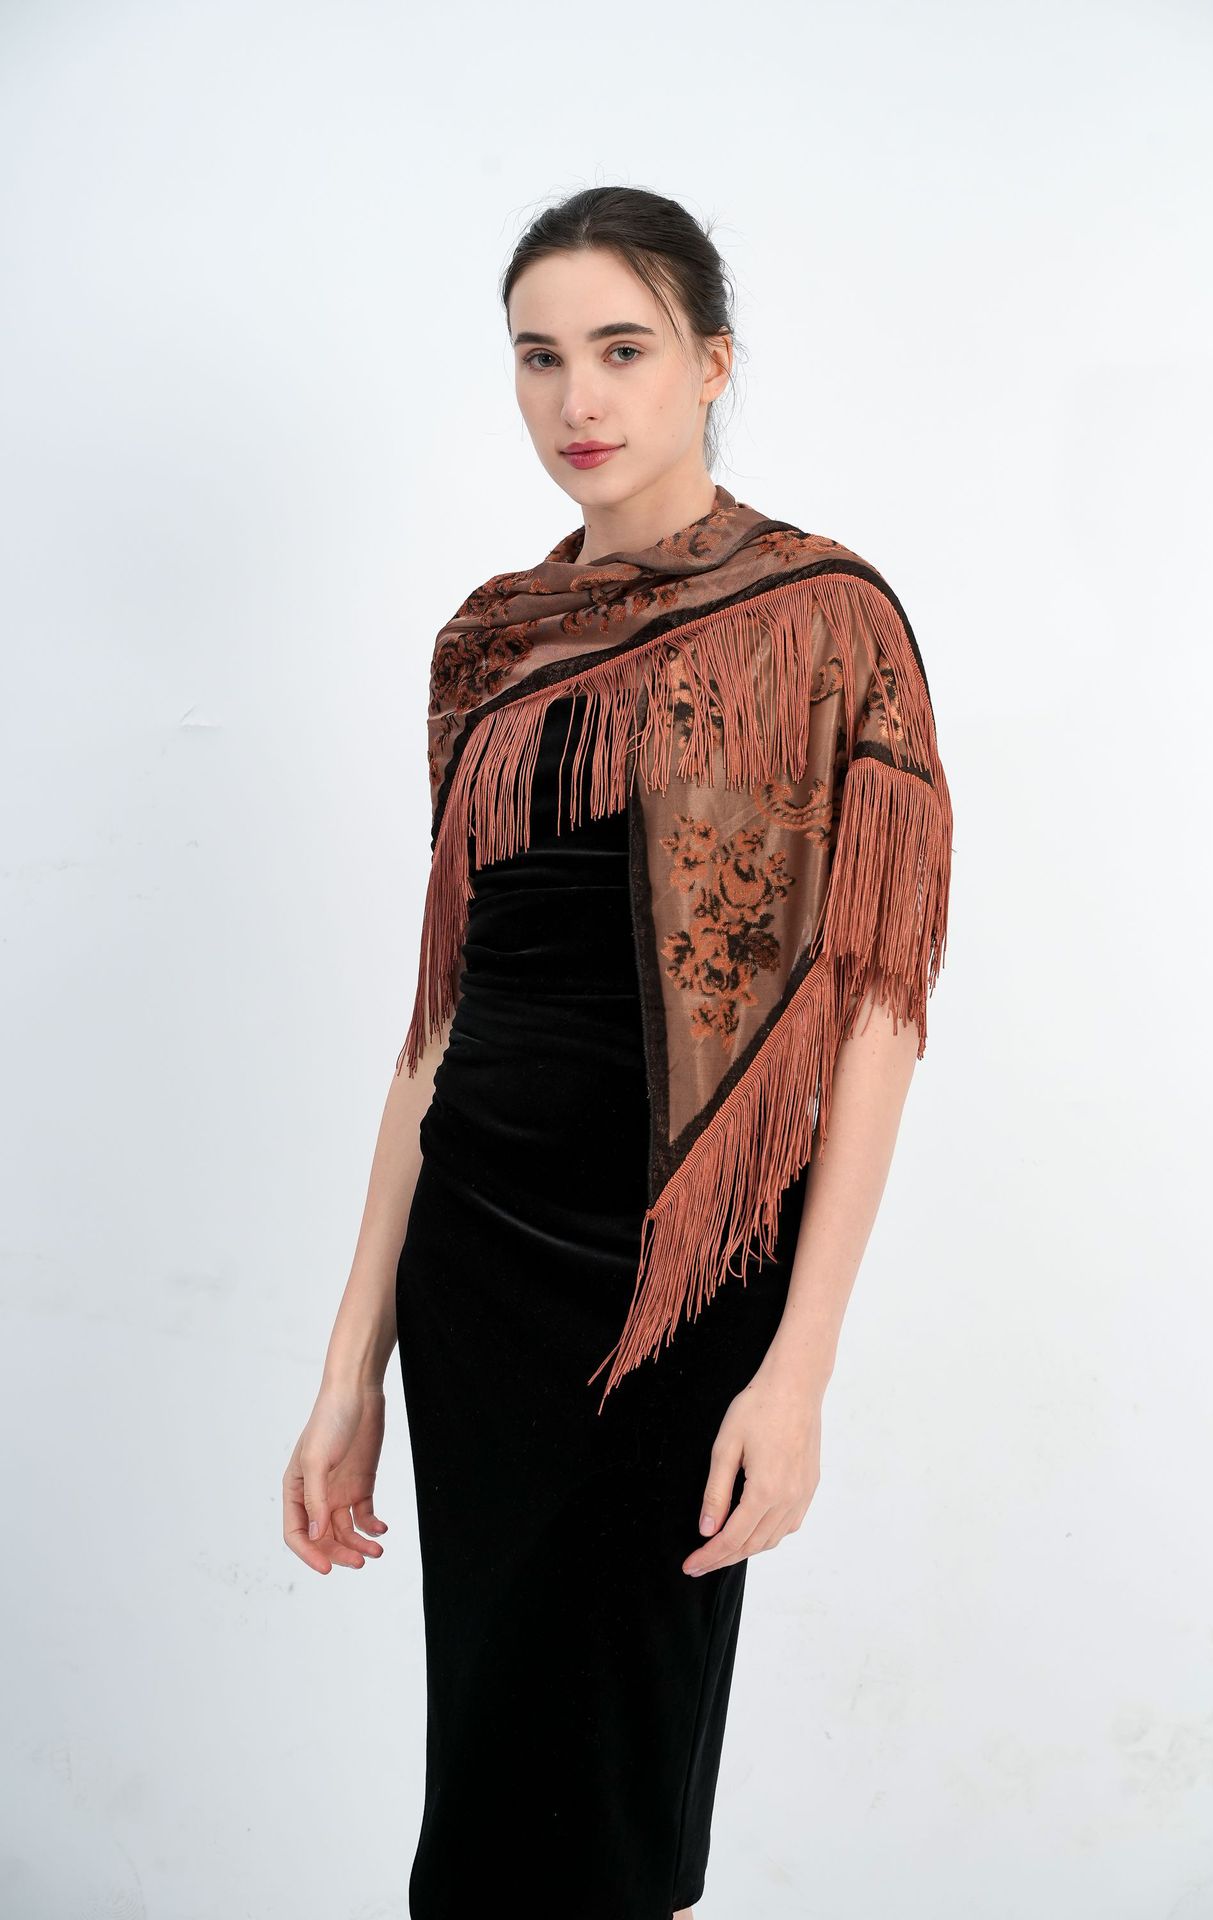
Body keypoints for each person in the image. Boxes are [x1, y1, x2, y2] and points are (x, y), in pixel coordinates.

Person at [282, 184, 953, 1920]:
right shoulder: (489, 642)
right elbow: (438, 1024)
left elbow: (876, 1012)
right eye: (539, 358)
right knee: (492, 1789)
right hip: (478, 1274)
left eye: (623, 350)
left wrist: (798, 1374)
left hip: (682, 1271)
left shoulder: (827, 618)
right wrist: (353, 1365)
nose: (578, 400)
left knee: (614, 1801)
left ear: (712, 364)